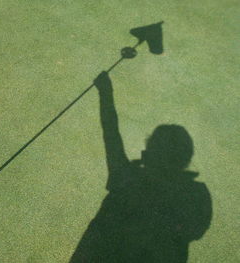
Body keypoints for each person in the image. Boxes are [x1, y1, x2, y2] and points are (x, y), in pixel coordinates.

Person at [70, 72, 212, 263]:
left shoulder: (126, 176)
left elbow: (111, 132)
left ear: (149, 151)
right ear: (185, 159)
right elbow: (196, 231)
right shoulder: (197, 194)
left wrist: (105, 92)